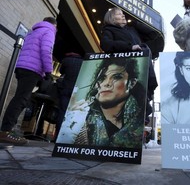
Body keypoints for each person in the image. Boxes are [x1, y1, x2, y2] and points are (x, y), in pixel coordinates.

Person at [59, 58, 146, 148]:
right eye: (102, 78)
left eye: (116, 77)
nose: (106, 83)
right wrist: (70, 124)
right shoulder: (80, 117)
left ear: (131, 83)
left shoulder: (139, 119)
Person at [0, 17, 57, 145]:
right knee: (21, 99)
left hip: (22, 68)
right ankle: (5, 131)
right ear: (54, 25)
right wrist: (49, 71)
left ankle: (7, 130)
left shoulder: (33, 32)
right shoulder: (49, 31)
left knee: (20, 98)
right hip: (32, 69)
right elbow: (46, 51)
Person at [100, 7, 158, 125]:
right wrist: (129, 47)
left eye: (123, 14)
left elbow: (153, 34)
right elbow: (106, 45)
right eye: (119, 14)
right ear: (111, 17)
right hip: (122, 70)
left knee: (142, 100)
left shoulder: (132, 29)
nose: (123, 16)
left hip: (139, 67)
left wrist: (136, 22)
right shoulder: (109, 30)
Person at [55, 52, 83, 139]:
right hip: (77, 91)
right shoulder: (83, 62)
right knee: (74, 113)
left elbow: (61, 72)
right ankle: (69, 138)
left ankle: (57, 136)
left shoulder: (66, 61)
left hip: (66, 89)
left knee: (62, 112)